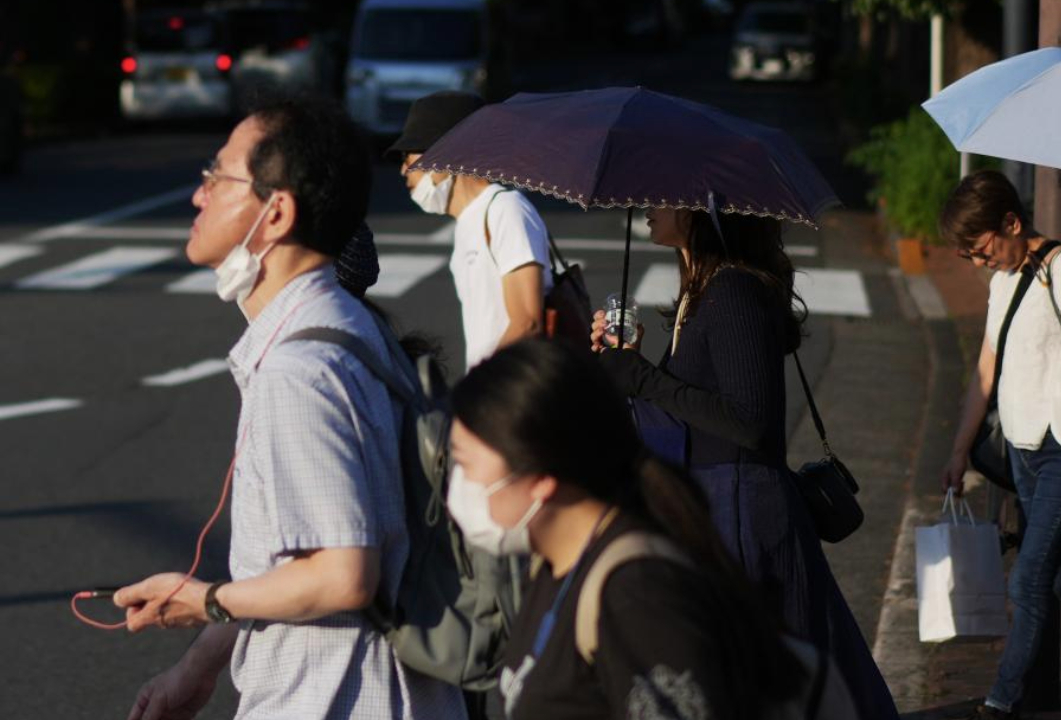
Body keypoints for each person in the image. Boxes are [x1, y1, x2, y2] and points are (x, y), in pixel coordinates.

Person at [112, 97, 465, 720]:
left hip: (337, 697)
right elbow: (289, 562)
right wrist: (197, 668)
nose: (199, 196)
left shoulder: (299, 371)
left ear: (274, 213)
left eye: (216, 177)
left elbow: (344, 574)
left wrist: (206, 599)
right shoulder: (345, 322)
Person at [589, 208, 899, 720]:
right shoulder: (701, 290)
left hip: (745, 515)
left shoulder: (732, 291)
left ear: (697, 211)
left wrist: (643, 378)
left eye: (662, 196)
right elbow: (694, 407)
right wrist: (634, 362)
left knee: (780, 685)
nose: (648, 205)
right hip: (719, 506)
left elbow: (751, 421)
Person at [447, 338, 828, 720]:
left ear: (540, 477)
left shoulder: (637, 596)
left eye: (466, 463)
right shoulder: (553, 562)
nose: (460, 483)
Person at [939, 170, 1061, 720]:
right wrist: (960, 449)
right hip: (1022, 450)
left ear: (1011, 222)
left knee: (1027, 579)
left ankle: (999, 703)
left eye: (983, 250)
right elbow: (986, 369)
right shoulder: (1003, 281)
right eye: (971, 258)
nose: (982, 263)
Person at [384, 90, 552, 369]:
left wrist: (478, 396)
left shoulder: (504, 209)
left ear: (446, 154)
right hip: (493, 392)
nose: (403, 170)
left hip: (515, 397)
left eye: (408, 156)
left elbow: (527, 323)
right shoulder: (467, 223)